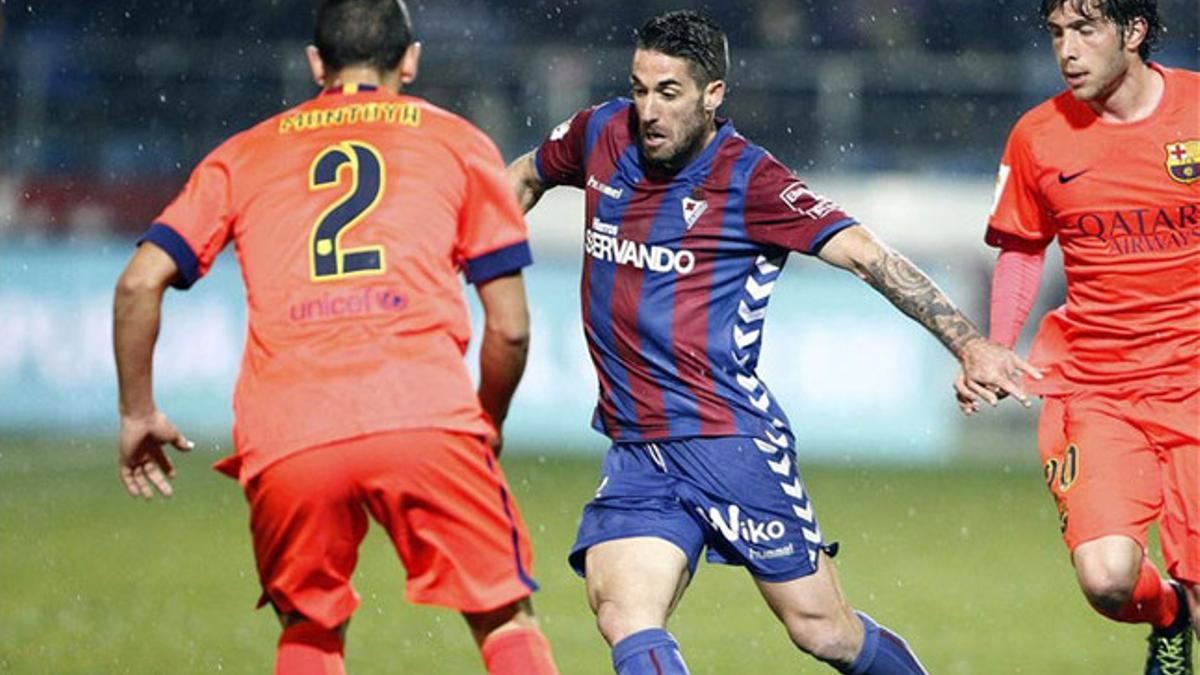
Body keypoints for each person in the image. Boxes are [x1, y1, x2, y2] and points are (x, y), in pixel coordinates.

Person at [508, 10, 1034, 674]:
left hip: (726, 440)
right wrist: (463, 251)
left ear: (713, 94)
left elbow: (869, 256)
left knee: (823, 631)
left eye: (668, 92)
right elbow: (523, 176)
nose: (647, 109)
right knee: (623, 611)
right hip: (638, 443)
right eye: (640, 88)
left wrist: (967, 344)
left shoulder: (750, 180)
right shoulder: (599, 133)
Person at [112, 1, 559, 673]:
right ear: (411, 59)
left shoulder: (245, 152)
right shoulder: (461, 144)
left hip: (290, 429)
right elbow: (513, 329)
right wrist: (484, 422)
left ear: (315, 63)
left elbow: (138, 284)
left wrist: (137, 411)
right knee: (502, 616)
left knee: (309, 626)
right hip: (423, 412)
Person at [954, 0, 1198, 672]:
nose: (1068, 50)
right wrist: (998, 343)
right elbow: (1024, 248)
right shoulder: (1039, 136)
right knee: (1107, 578)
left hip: (1195, 382)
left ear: (1135, 31)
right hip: (1095, 386)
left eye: (1086, 30)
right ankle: (1167, 611)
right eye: (1058, 32)